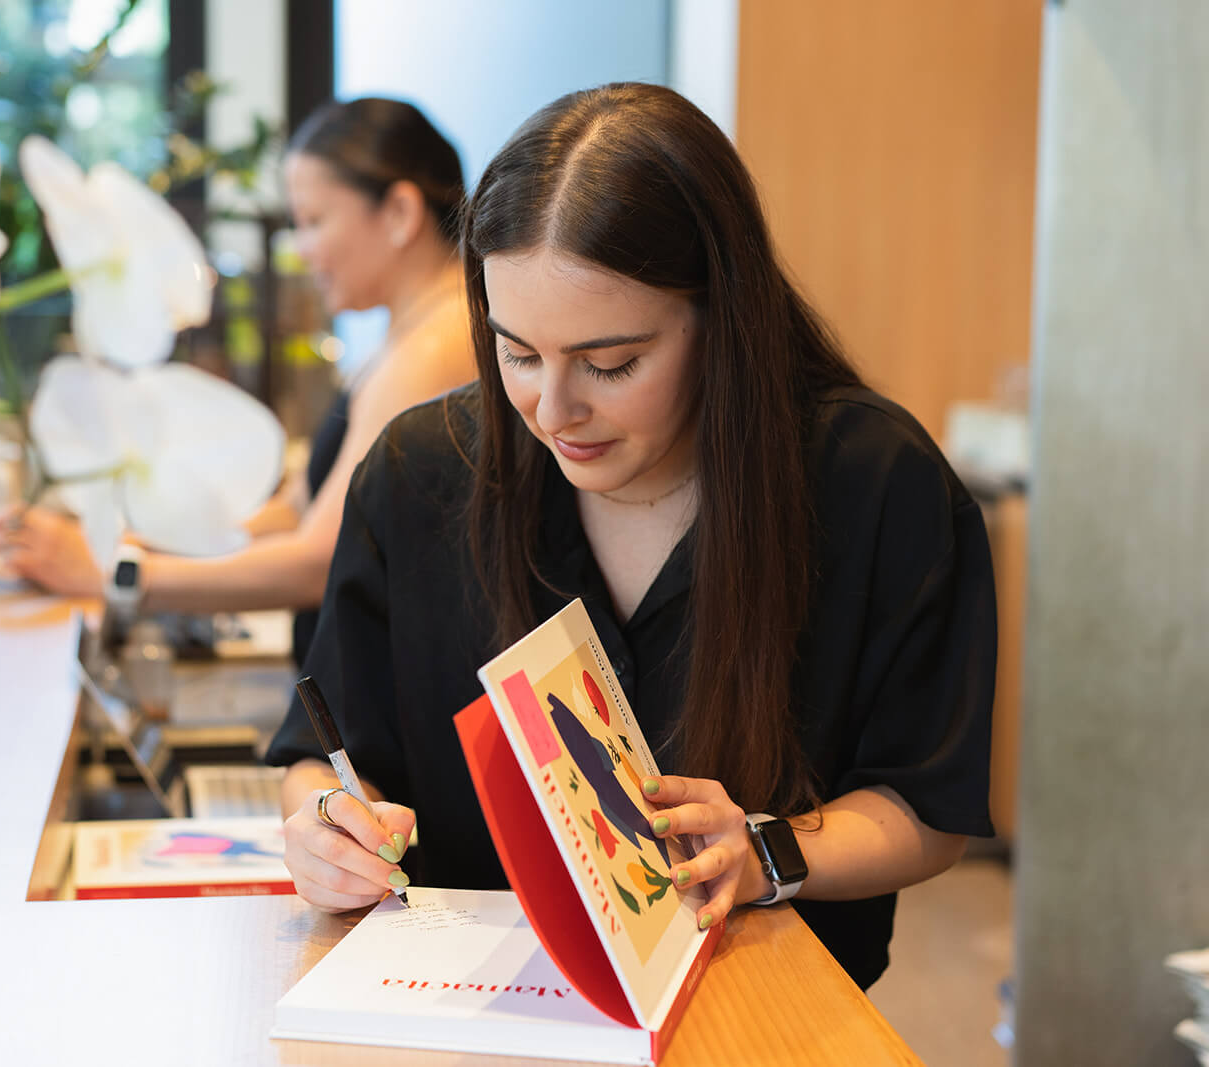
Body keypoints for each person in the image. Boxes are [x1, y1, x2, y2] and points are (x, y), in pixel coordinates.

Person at [267, 83, 996, 989]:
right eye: (517, 352)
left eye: (612, 363)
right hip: (471, 1008)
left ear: (722, 318)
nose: (553, 409)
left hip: (758, 1004)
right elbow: (322, 755)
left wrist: (766, 850)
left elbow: (926, 804)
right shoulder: (423, 474)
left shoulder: (872, 482)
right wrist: (327, 823)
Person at [0, 98, 476, 663]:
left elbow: (321, 560)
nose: (301, 248)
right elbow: (298, 511)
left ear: (398, 213)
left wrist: (118, 574)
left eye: (314, 221)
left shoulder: (439, 345)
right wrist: (122, 543)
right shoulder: (406, 334)